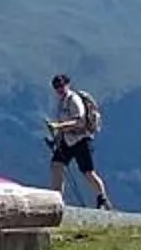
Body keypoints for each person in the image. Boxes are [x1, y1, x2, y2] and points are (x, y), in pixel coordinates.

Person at [46, 72, 112, 210]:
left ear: (67, 85)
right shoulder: (61, 102)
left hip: (81, 140)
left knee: (88, 172)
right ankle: (56, 198)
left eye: (61, 85)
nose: (59, 89)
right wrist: (56, 139)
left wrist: (58, 126)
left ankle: (102, 197)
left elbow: (79, 121)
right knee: (57, 165)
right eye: (56, 87)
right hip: (67, 140)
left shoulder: (74, 100)